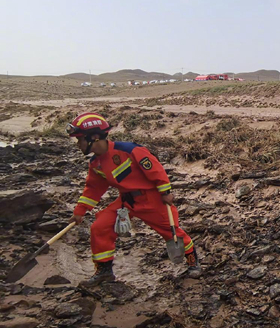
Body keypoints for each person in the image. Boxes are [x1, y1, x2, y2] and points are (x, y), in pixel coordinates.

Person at [66, 112, 200, 286]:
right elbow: (93, 189)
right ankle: (104, 271)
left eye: (80, 139)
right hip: (126, 202)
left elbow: (155, 170)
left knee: (172, 232)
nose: (78, 144)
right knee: (100, 227)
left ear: (95, 137)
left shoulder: (129, 150)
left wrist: (166, 191)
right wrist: (80, 211)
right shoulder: (96, 164)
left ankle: (193, 263)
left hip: (151, 200)